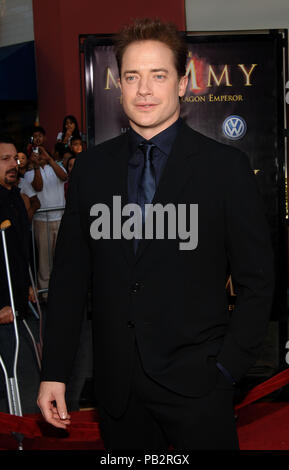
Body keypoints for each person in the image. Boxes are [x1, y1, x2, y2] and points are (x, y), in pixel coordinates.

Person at [37, 18, 274, 450]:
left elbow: (258, 282)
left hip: (200, 388)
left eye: (158, 75)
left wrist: (228, 370)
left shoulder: (224, 169)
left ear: (183, 83)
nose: (144, 89)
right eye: (132, 76)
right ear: (119, 85)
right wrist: (53, 372)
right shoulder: (91, 170)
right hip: (118, 393)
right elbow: (70, 280)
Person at [0, 135, 40, 413]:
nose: (13, 164)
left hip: (16, 300)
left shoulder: (14, 196)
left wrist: (25, 285)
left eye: (14, 158)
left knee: (19, 373)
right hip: (2, 306)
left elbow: (16, 251)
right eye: (4, 159)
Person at [24, 140, 67, 300]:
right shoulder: (29, 174)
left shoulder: (56, 168)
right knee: (44, 261)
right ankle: (46, 295)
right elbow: (38, 187)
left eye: (42, 153)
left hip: (60, 217)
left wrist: (49, 160)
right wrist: (35, 167)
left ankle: (62, 291)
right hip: (42, 220)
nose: (40, 156)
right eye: (37, 154)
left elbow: (64, 176)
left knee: (62, 258)